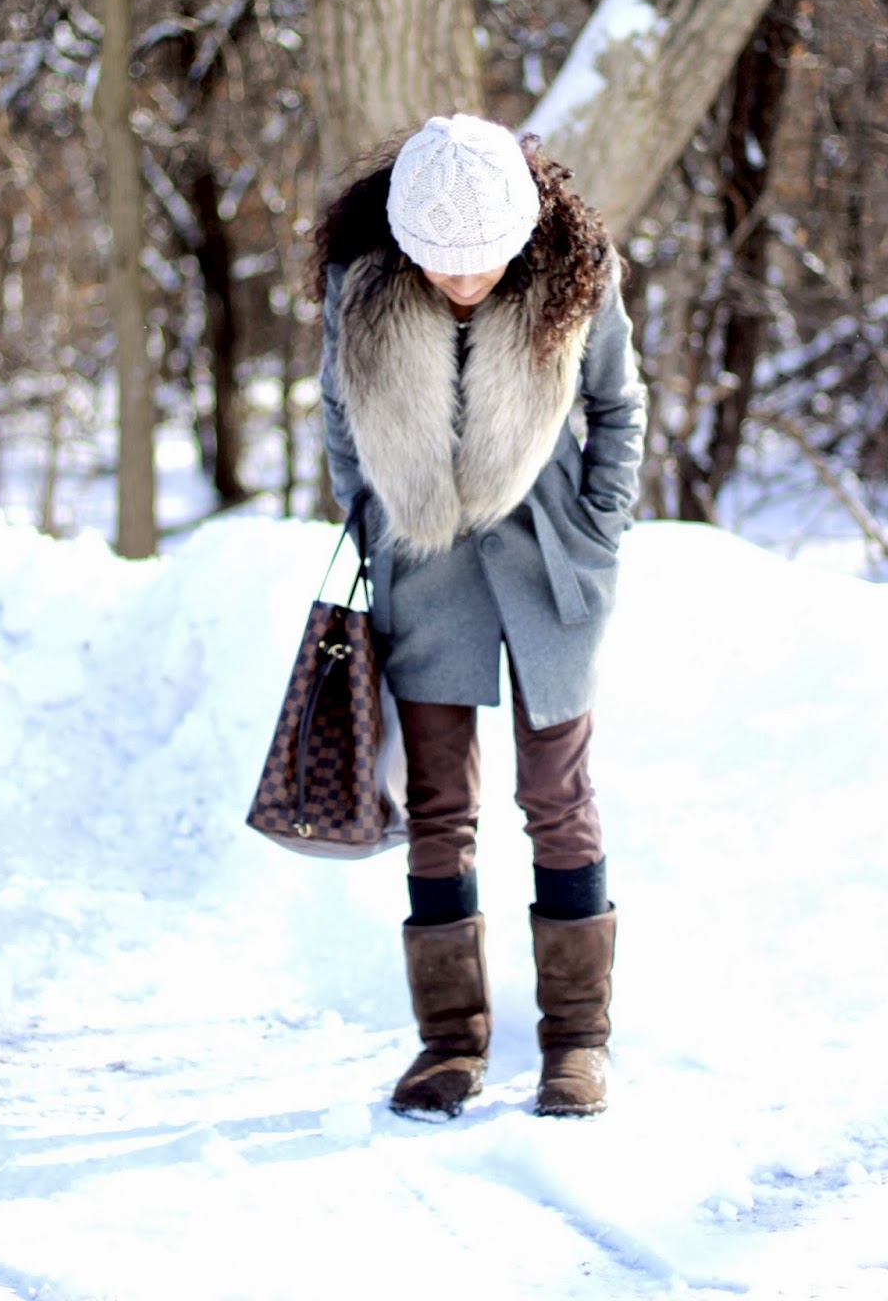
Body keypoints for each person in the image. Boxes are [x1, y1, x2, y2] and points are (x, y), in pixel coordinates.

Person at [312, 114, 646, 1119]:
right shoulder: (363, 289)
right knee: (439, 810)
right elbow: (337, 414)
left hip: (550, 563)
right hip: (424, 567)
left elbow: (620, 407)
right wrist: (371, 519)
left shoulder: (574, 274)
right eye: (442, 267)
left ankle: (576, 1042)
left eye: (481, 265)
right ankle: (448, 1043)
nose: (464, 283)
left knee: (557, 795)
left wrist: (599, 525)